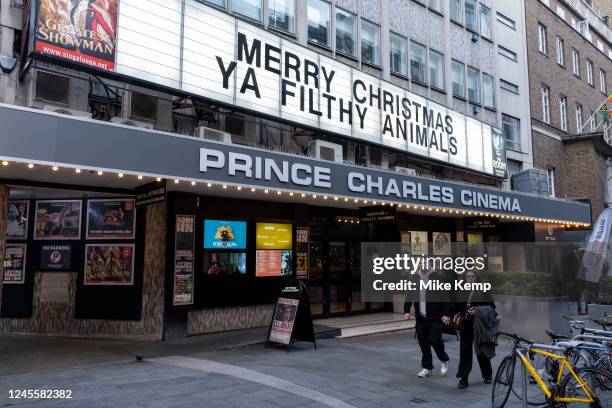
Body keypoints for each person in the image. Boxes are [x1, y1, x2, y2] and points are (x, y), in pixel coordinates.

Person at [444, 270, 495, 389]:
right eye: (468, 276)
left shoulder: (483, 289)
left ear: (476, 278)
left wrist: (477, 309)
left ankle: (487, 374)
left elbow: (491, 306)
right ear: (465, 278)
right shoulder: (460, 289)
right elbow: (455, 306)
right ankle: (463, 378)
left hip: (479, 325)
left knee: (481, 350)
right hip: (465, 325)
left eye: (472, 276)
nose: (470, 278)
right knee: (465, 351)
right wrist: (447, 315)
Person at [404, 266, 451, 378]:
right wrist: (406, 310)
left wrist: (446, 314)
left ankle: (444, 359)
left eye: (426, 262)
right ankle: (427, 367)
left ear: (430, 264)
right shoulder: (415, 278)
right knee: (423, 343)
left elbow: (444, 296)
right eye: (421, 263)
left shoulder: (437, 277)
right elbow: (409, 294)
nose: (423, 265)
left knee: (436, 340)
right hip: (421, 318)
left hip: (435, 317)